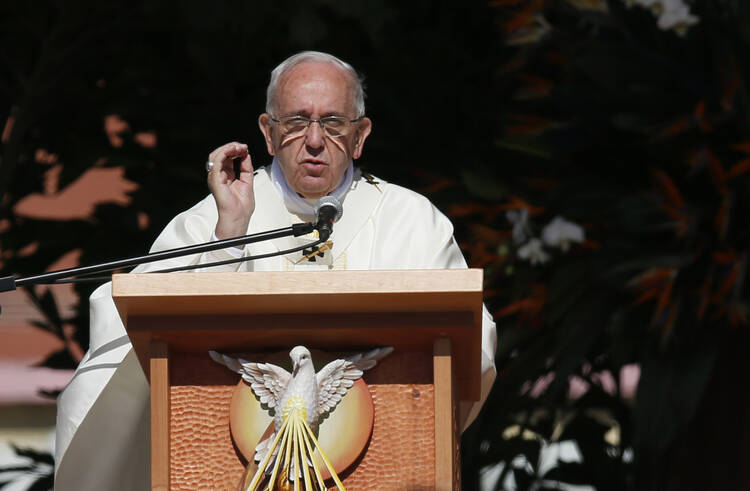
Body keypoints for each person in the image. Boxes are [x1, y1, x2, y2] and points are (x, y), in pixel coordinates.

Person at [54, 51, 497, 490]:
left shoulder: (411, 220)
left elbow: (469, 337)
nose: (316, 140)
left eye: (334, 122)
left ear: (360, 136)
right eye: (297, 122)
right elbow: (133, 329)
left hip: (380, 466)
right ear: (268, 133)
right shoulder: (216, 216)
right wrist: (228, 237)